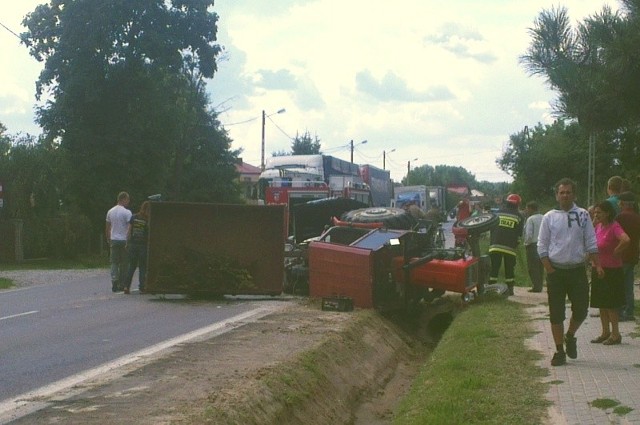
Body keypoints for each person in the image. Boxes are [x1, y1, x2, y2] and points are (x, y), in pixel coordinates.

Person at [538, 178, 602, 366]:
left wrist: (596, 264)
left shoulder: (583, 215)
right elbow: (542, 244)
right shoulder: (549, 217)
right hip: (556, 271)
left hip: (576, 271)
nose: (565, 195)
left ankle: (570, 335)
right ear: (557, 195)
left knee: (581, 310)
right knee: (556, 313)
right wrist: (549, 268)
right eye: (561, 192)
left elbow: (591, 240)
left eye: (568, 192)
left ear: (574, 194)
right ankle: (559, 351)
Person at [589, 200, 629, 344]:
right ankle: (605, 332)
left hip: (612, 270)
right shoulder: (598, 226)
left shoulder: (614, 226)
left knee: (611, 304)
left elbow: (626, 240)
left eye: (599, 212)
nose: (596, 214)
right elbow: (591, 243)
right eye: (595, 212)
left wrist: (617, 251)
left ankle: (615, 334)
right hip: (598, 268)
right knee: (601, 303)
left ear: (607, 213)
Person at [488, 193, 524, 296]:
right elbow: (520, 233)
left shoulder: (497, 213)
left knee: (494, 268)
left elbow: (491, 227)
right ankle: (510, 289)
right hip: (510, 248)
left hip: (495, 245)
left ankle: (490, 288)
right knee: (509, 269)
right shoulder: (519, 216)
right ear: (517, 204)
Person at [616, 191, 640, 321]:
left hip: (622, 255)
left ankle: (619, 312)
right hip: (633, 255)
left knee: (619, 284)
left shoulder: (620, 217)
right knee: (629, 284)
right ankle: (629, 311)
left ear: (624, 203)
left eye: (620, 202)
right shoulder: (637, 217)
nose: (619, 204)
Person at [105, 191, 132, 292]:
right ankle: (122, 283)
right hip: (124, 239)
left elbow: (107, 227)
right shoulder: (127, 212)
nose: (128, 202)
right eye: (127, 199)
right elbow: (129, 227)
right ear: (123, 199)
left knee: (114, 262)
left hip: (114, 239)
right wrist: (128, 239)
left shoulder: (110, 211)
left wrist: (108, 238)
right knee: (124, 263)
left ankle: (114, 281)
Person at [125, 200, 150, 294]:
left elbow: (129, 231)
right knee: (142, 267)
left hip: (133, 244)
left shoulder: (134, 217)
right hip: (143, 245)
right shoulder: (147, 220)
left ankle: (126, 287)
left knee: (131, 266)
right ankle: (142, 287)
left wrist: (127, 242)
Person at [523, 201, 544, 292]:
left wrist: (526, 243)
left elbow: (529, 234)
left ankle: (536, 286)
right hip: (543, 244)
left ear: (531, 209)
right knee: (540, 266)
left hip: (533, 245)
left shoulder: (530, 219)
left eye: (527, 208)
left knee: (532, 267)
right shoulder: (544, 217)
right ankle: (540, 285)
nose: (526, 210)